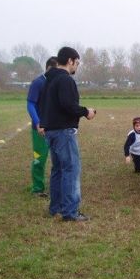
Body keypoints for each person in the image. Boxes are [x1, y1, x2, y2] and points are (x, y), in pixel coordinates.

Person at [40, 47, 96, 222]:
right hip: (63, 131)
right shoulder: (65, 80)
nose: (77, 67)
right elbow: (67, 105)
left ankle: (55, 207)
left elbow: (48, 105)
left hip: (52, 130)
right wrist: (86, 111)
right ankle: (70, 211)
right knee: (71, 169)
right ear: (70, 61)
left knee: (58, 169)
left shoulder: (50, 80)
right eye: (77, 63)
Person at [27, 56, 57, 197]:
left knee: (59, 159)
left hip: (56, 128)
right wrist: (38, 122)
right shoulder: (38, 83)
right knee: (39, 158)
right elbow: (31, 104)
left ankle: (56, 187)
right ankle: (37, 188)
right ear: (50, 68)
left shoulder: (57, 82)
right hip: (40, 129)